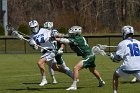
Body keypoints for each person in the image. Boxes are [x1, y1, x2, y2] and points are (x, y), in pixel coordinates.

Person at [56, 26, 105, 90]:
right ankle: (101, 81)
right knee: (92, 70)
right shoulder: (75, 37)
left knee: (76, 68)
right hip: (90, 55)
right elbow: (64, 35)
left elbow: (65, 40)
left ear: (76, 33)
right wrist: (54, 34)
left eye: (72, 33)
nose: (70, 34)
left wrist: (53, 39)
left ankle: (74, 85)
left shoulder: (78, 39)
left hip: (89, 56)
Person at [28, 20, 74, 86]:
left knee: (40, 63)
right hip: (44, 52)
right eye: (32, 27)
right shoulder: (32, 36)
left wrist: (66, 35)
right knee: (56, 68)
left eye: (35, 26)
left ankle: (44, 80)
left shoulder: (44, 30)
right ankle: (70, 73)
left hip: (51, 50)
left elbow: (56, 34)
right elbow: (36, 48)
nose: (34, 28)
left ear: (38, 25)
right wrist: (33, 45)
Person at [109, 25, 140, 93]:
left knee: (115, 76)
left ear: (124, 33)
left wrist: (112, 57)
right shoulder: (138, 42)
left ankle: (114, 92)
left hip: (127, 67)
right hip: (138, 67)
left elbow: (117, 59)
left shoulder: (122, 43)